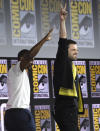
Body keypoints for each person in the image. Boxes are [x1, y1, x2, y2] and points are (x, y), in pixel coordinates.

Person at [4, 29, 53, 131]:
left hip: (11, 115)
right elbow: (30, 55)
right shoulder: (17, 68)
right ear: (22, 59)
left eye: (33, 60)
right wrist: (44, 40)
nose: (32, 62)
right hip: (20, 113)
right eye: (31, 60)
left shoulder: (19, 72)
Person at [53, 4, 84, 131]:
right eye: (73, 50)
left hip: (71, 107)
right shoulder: (62, 61)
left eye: (77, 49)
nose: (76, 52)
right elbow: (62, 42)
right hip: (65, 106)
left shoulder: (72, 66)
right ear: (66, 51)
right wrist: (62, 21)